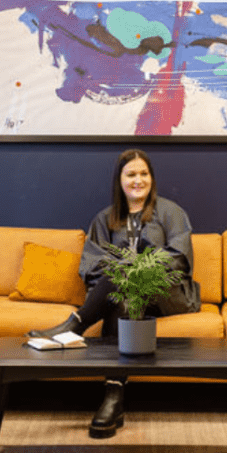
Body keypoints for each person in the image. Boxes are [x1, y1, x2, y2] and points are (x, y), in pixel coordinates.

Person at [28, 149, 201, 438]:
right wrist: (126, 271)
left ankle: (76, 325)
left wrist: (139, 266)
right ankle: (113, 398)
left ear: (152, 178)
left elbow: (180, 258)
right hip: (125, 297)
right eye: (131, 174)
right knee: (121, 299)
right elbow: (93, 265)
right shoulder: (104, 219)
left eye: (143, 174)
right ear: (119, 180)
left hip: (167, 293)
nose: (138, 180)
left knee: (128, 274)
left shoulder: (172, 212)